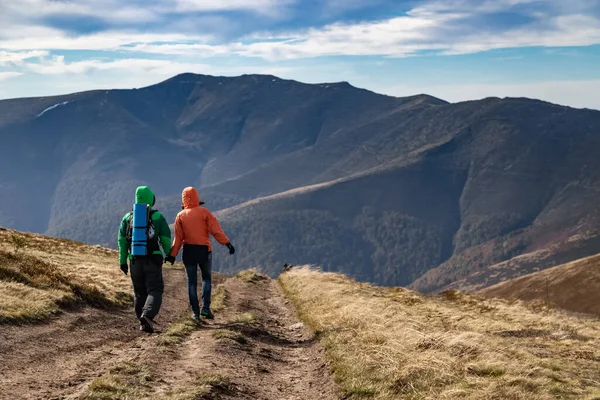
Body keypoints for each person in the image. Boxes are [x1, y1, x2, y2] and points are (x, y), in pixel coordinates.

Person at [165, 187, 235, 321]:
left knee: (191, 282)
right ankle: (205, 309)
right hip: (204, 251)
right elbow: (216, 231)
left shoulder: (180, 216)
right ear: (197, 197)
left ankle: (195, 314)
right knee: (206, 279)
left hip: (189, 252)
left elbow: (178, 239)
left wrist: (172, 255)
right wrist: (227, 244)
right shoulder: (204, 212)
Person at [118, 186, 172, 333]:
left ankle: (142, 322)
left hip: (134, 260)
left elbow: (122, 241)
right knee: (155, 290)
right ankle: (147, 316)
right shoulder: (158, 217)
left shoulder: (128, 218)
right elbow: (166, 239)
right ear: (151, 199)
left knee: (139, 293)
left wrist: (122, 262)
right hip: (152, 259)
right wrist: (169, 254)